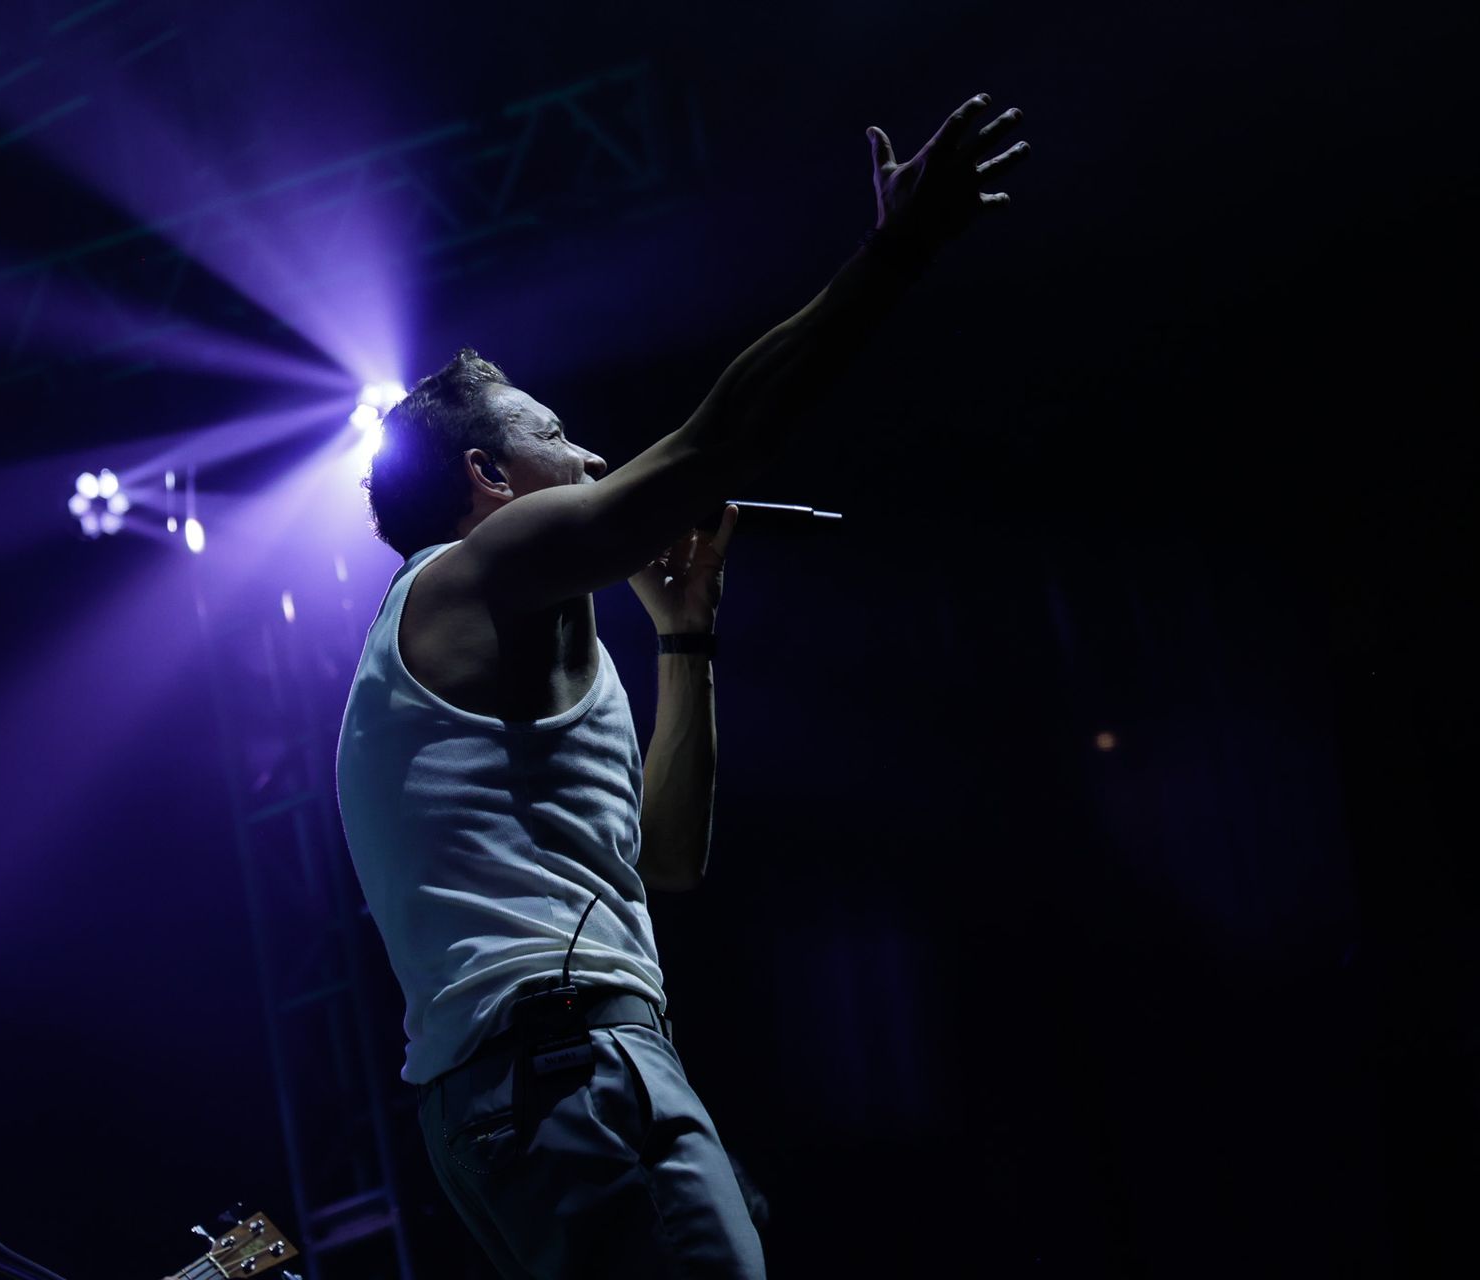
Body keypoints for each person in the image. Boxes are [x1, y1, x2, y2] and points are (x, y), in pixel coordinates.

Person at [334, 90, 1031, 1278]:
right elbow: (715, 443)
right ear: (487, 475)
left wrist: (686, 642)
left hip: (545, 1079)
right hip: (560, 1065)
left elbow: (666, 861)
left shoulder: (548, 646)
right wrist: (895, 252)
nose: (596, 458)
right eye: (557, 435)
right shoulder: (462, 572)